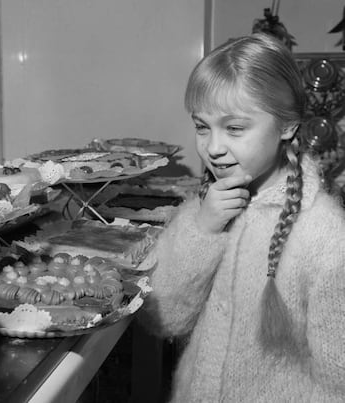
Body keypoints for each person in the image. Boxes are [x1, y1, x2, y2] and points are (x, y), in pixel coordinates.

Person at [140, 33, 345, 402]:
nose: (213, 148)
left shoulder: (324, 235)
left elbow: (338, 377)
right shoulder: (204, 205)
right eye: (202, 127)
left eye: (235, 128)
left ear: (287, 126)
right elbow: (162, 318)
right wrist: (203, 227)